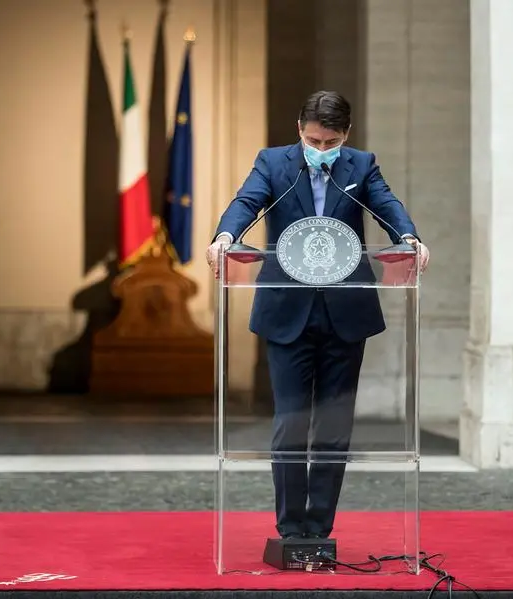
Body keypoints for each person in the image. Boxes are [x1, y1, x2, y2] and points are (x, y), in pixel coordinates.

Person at [206, 91, 430, 540]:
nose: (321, 150)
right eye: (313, 140)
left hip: (345, 311)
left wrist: (408, 237)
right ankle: (291, 530)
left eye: (330, 142)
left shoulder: (362, 165)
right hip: (287, 312)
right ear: (299, 130)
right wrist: (226, 235)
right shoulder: (274, 164)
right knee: (290, 421)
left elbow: (387, 204)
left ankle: (319, 529)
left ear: (345, 135)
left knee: (333, 426)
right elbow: (246, 202)